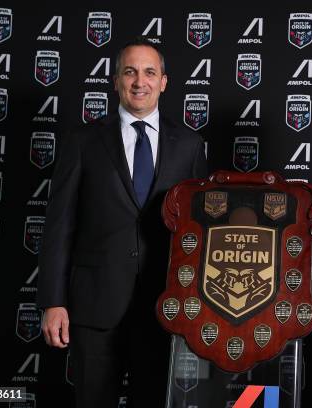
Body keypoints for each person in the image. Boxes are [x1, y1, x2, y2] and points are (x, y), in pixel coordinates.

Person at [37, 36, 208, 408]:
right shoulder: (83, 141)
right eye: (129, 72)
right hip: (95, 309)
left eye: (150, 72)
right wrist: (53, 301)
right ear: (115, 80)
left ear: (164, 81)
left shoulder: (189, 145)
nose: (139, 81)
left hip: (165, 308)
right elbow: (59, 227)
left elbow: (200, 233)